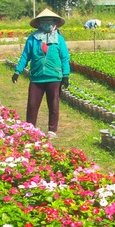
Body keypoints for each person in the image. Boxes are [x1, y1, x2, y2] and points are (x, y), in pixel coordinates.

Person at [12, 8, 71, 138]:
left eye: (50, 22)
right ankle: (30, 128)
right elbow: (25, 56)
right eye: (44, 22)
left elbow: (65, 58)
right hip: (37, 77)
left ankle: (52, 130)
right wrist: (17, 71)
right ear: (39, 23)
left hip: (54, 76)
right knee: (32, 104)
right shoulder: (33, 39)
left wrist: (66, 75)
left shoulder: (59, 39)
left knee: (53, 103)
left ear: (55, 23)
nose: (47, 24)